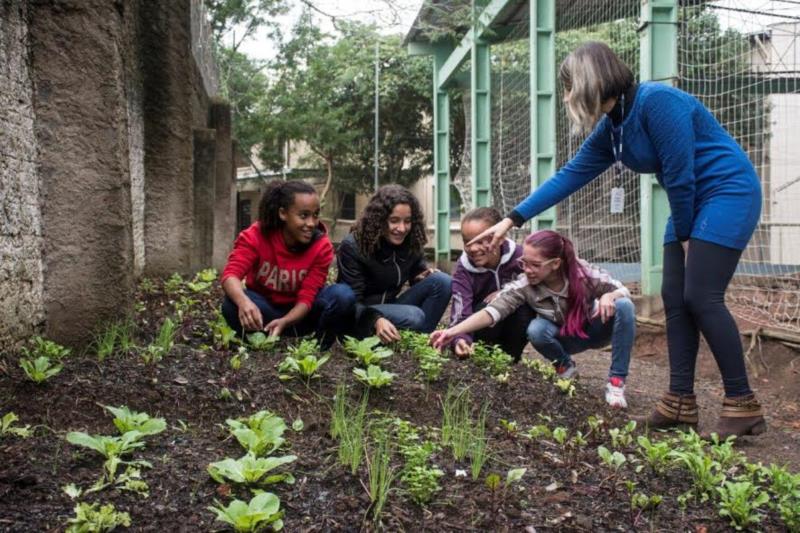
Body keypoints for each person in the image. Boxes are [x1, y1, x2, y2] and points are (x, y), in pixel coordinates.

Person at [470, 42, 765, 436]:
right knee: (674, 300)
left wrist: (687, 235)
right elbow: (569, 175)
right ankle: (679, 402)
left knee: (701, 297)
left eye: (569, 85)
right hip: (691, 203)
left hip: (726, 192)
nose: (567, 96)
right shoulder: (613, 128)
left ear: (588, 81)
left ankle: (742, 403)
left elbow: (680, 175)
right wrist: (510, 220)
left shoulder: (656, 101)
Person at [432, 230, 634, 408]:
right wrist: (453, 331)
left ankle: (616, 382)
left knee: (624, 305)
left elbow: (623, 290)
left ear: (556, 264)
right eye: (524, 263)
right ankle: (565, 366)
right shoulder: (525, 285)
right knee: (536, 329)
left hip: (595, 329)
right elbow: (492, 311)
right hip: (564, 337)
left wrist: (611, 295)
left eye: (535, 265)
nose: (527, 270)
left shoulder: (583, 274)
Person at [220, 180, 355, 346]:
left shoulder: (322, 246)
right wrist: (244, 302)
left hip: (302, 315)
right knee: (231, 304)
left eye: (315, 215)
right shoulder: (255, 235)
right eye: (303, 215)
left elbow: (307, 298)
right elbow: (230, 275)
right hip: (266, 309)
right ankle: (263, 336)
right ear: (283, 213)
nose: (311, 223)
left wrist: (286, 321)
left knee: (342, 295)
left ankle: (318, 344)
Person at [337, 184, 452, 343]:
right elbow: (351, 302)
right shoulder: (354, 246)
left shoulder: (410, 241)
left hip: (391, 307)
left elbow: (415, 272)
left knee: (443, 282)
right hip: (360, 314)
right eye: (394, 221)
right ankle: (374, 337)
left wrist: (421, 276)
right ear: (379, 220)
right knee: (414, 316)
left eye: (407, 221)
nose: (402, 228)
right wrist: (375, 319)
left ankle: (422, 341)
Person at [448, 207, 534, 362]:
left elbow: (539, 284)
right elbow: (460, 311)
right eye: (467, 242)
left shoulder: (520, 257)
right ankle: (484, 357)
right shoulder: (463, 270)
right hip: (481, 329)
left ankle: (511, 358)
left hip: (514, 324)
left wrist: (504, 291)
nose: (473, 248)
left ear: (499, 237)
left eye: (481, 241)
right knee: (486, 306)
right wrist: (459, 339)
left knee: (524, 307)